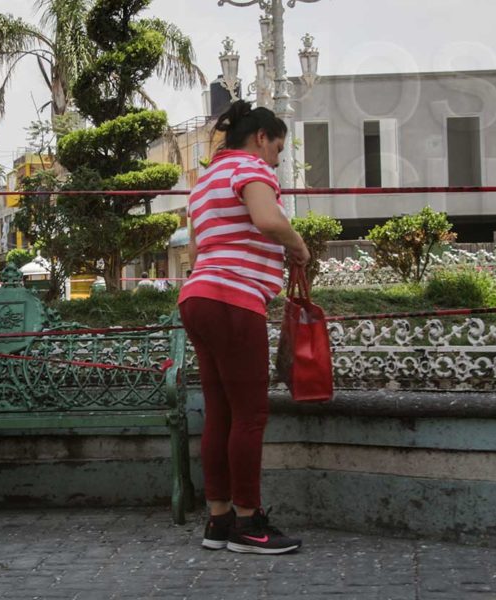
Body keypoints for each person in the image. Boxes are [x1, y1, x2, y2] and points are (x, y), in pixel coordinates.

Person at [178, 100, 310, 555]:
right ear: (260, 139)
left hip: (198, 297)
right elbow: (268, 219)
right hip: (234, 301)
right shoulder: (251, 169)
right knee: (250, 414)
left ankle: (219, 520)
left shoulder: (204, 181)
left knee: (221, 413)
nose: (277, 159)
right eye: (277, 147)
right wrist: (298, 246)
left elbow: (195, 254)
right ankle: (251, 523)